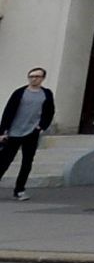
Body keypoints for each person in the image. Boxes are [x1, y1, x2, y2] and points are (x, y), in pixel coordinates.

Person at [0, 68, 51, 199]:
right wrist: (3, 131)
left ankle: (19, 190)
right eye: (31, 76)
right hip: (14, 132)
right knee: (4, 161)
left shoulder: (46, 94)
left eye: (37, 76)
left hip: (32, 133)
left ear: (42, 78)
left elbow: (50, 111)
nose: (33, 79)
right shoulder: (19, 93)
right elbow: (8, 111)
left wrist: (41, 127)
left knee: (27, 162)